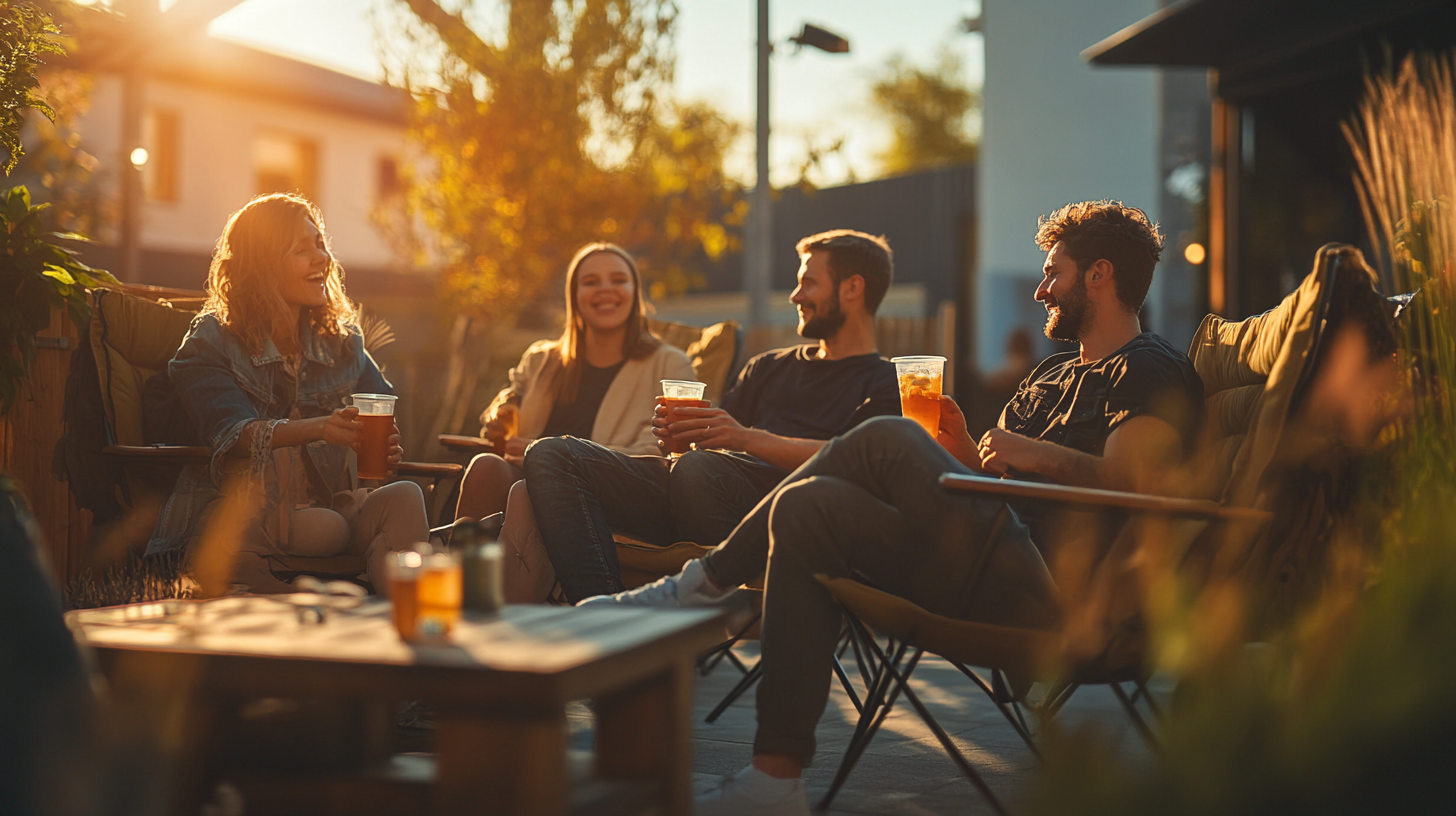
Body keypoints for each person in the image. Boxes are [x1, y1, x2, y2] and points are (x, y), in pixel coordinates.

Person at [585, 202, 1205, 815]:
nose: (1042, 289)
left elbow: (1138, 487)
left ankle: (702, 584)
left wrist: (1036, 455)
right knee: (809, 505)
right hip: (984, 557)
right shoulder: (1049, 374)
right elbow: (991, 482)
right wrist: (962, 446)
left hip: (1056, 589)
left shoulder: (1146, 367)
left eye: (1054, 273)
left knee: (886, 436)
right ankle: (774, 780)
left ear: (1099, 275)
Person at [521, 229, 902, 603]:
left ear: (853, 288)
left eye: (808, 283)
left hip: (782, 521)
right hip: (692, 491)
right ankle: (607, 620)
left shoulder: (888, 383)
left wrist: (744, 439)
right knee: (552, 454)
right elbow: (708, 446)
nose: (795, 295)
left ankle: (672, 618)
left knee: (701, 470)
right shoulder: (766, 368)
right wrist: (681, 435)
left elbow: (863, 466)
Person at [145, 193, 430, 595]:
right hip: (242, 517)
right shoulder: (212, 340)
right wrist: (321, 429)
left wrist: (385, 447)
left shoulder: (342, 344)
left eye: (320, 244)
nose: (322, 258)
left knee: (404, 497)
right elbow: (233, 432)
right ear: (262, 265)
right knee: (317, 523)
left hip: (324, 512)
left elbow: (380, 411)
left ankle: (406, 625)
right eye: (302, 249)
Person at [454, 243, 694, 522]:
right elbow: (505, 407)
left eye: (619, 280)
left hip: (610, 495)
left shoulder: (670, 364)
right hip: (522, 486)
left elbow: (657, 457)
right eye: (591, 282)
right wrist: (499, 419)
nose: (605, 289)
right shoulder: (541, 359)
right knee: (486, 467)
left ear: (634, 293)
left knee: (525, 493)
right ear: (574, 296)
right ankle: (462, 563)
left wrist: (545, 455)